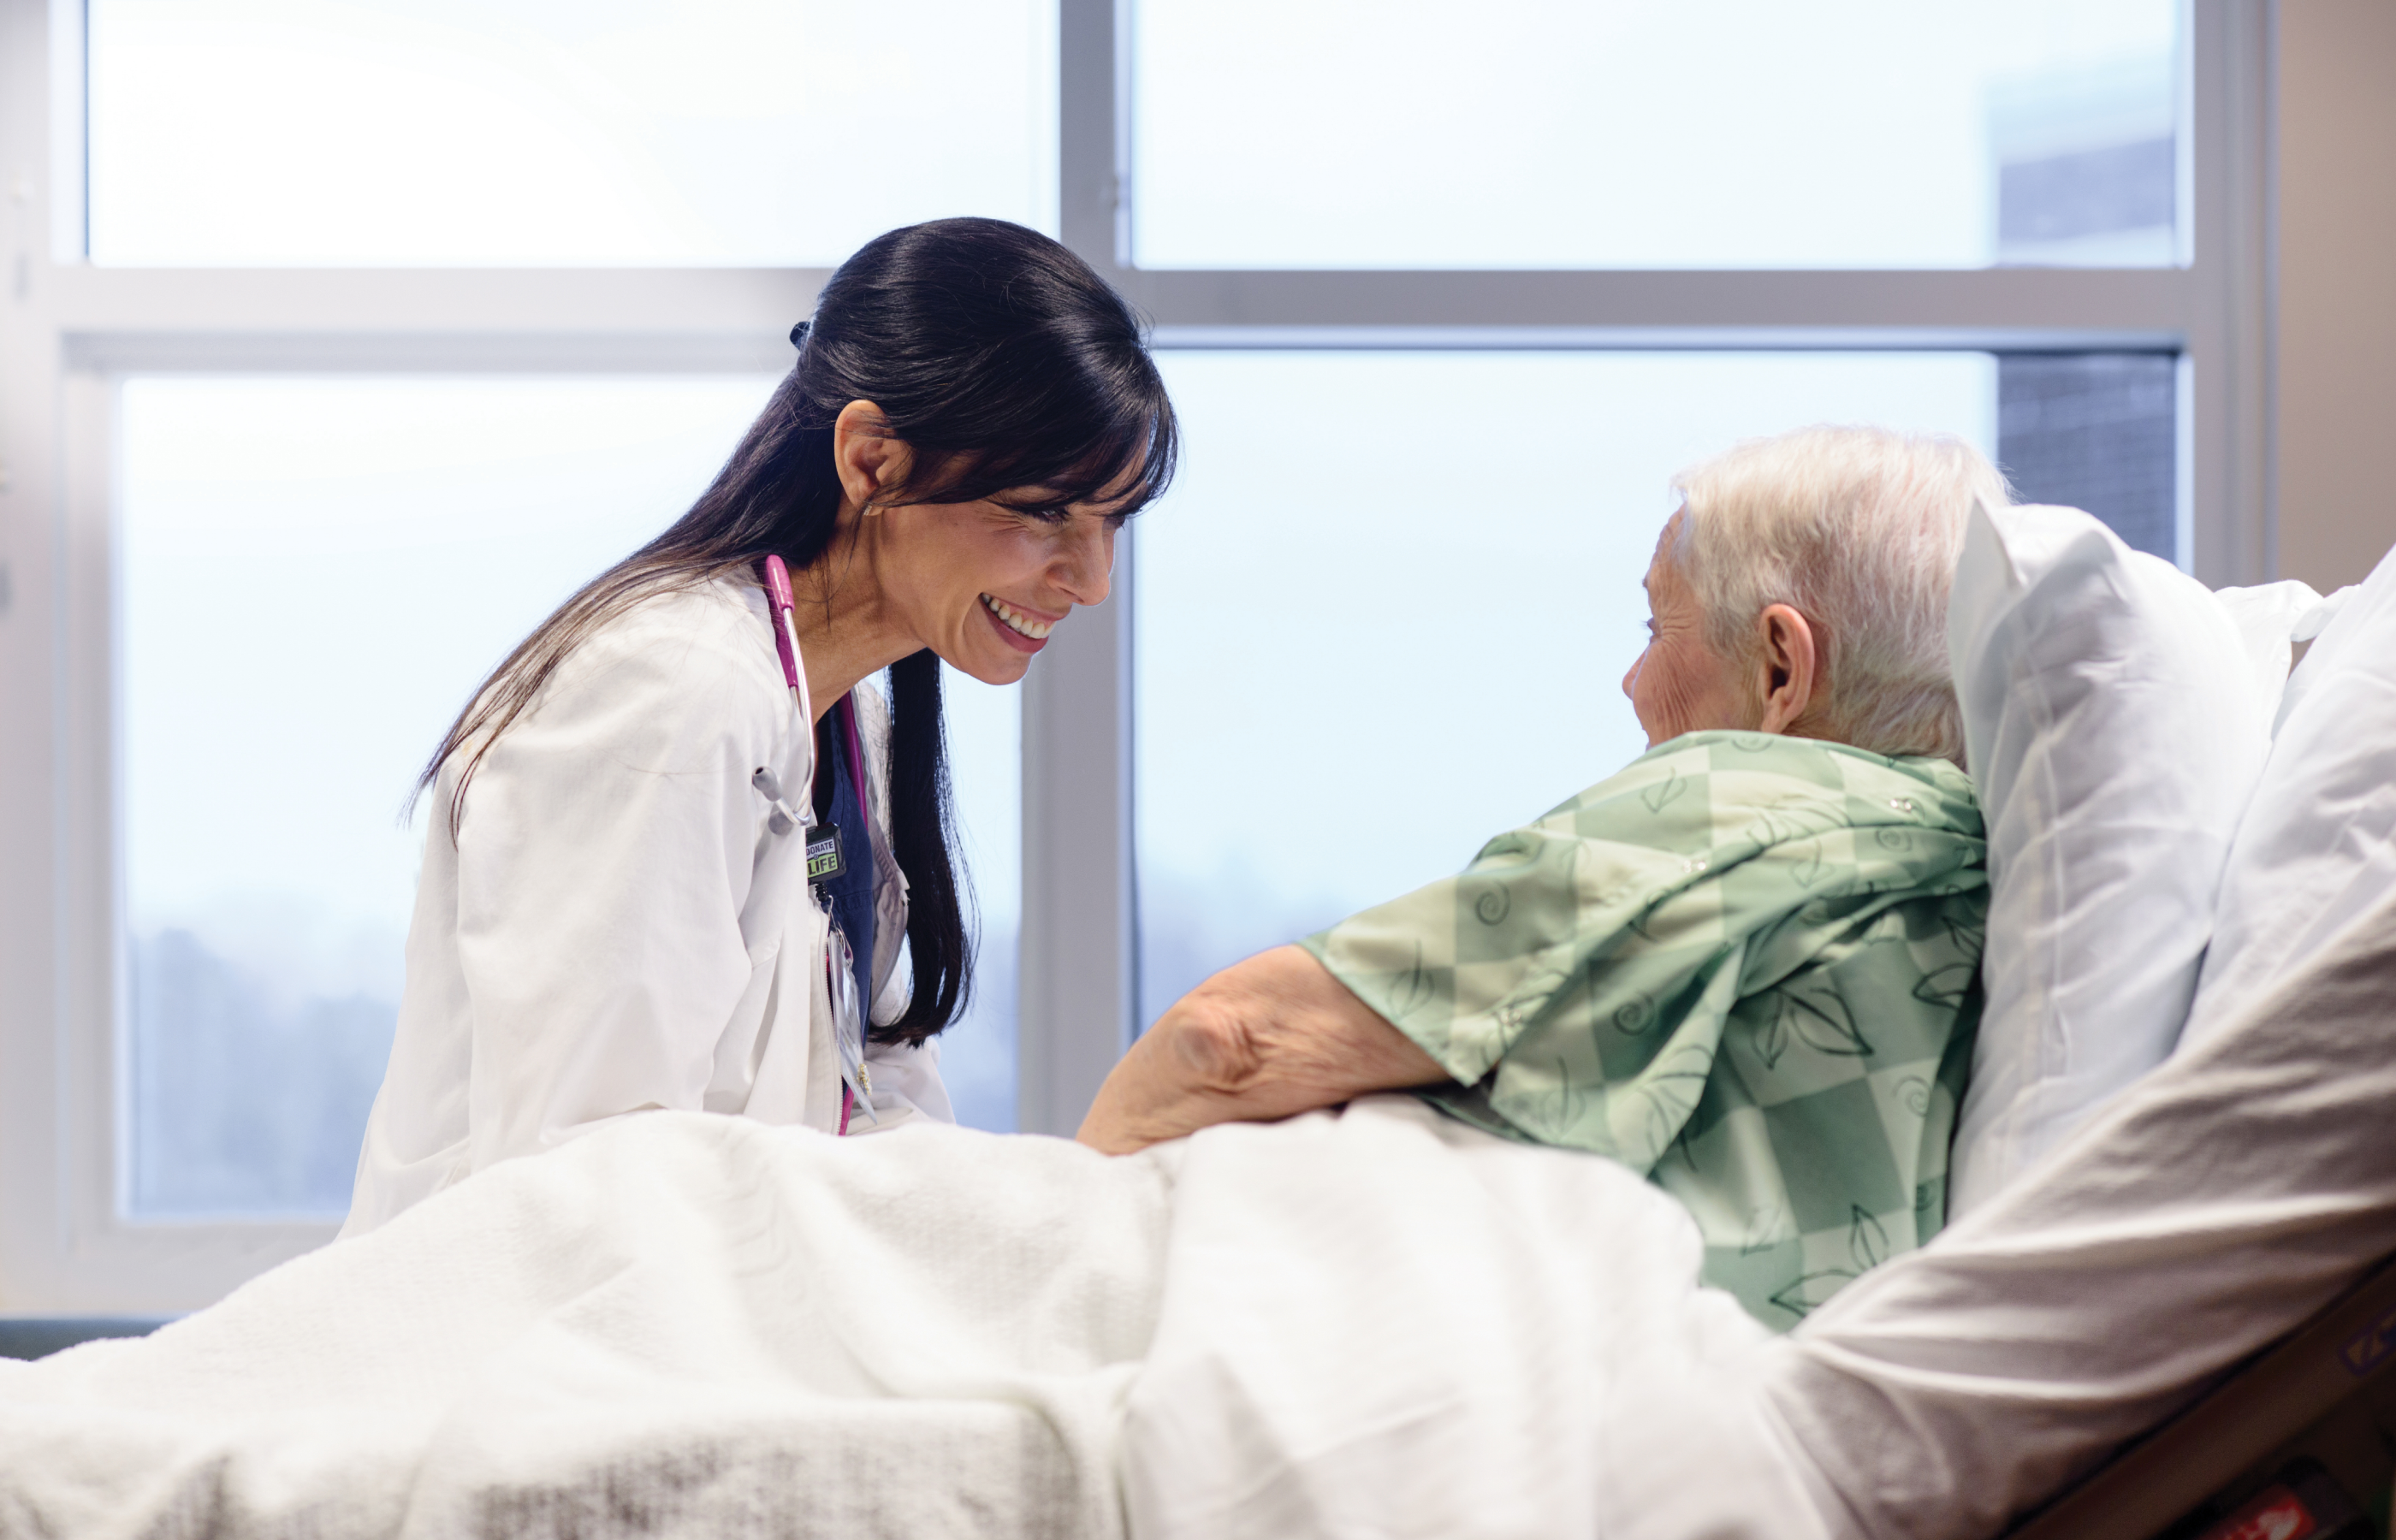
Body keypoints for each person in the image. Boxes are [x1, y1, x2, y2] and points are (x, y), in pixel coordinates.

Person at [341, 217, 1177, 1238]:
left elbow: (863, 1105)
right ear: (872, 462)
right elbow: (584, 1173)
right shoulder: (666, 691)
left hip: (697, 1323)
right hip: (524, 1348)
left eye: (1112, 523)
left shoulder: (840, 726)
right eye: (1045, 511)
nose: (1090, 582)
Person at [1079, 424, 2001, 1325]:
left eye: (1655, 625)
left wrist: (1067, 1235)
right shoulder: (1976, 868)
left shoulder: (1731, 802)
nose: (1632, 683)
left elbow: (1227, 1042)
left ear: (1778, 667)